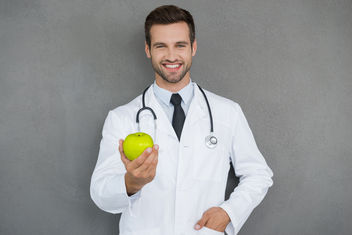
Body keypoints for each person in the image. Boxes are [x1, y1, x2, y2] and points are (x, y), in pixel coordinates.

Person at [90, 5, 273, 235]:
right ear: (148, 50)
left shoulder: (228, 113)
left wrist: (229, 213)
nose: (171, 56)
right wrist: (131, 183)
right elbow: (100, 194)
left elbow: (258, 174)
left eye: (180, 45)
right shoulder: (121, 118)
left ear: (193, 47)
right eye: (160, 46)